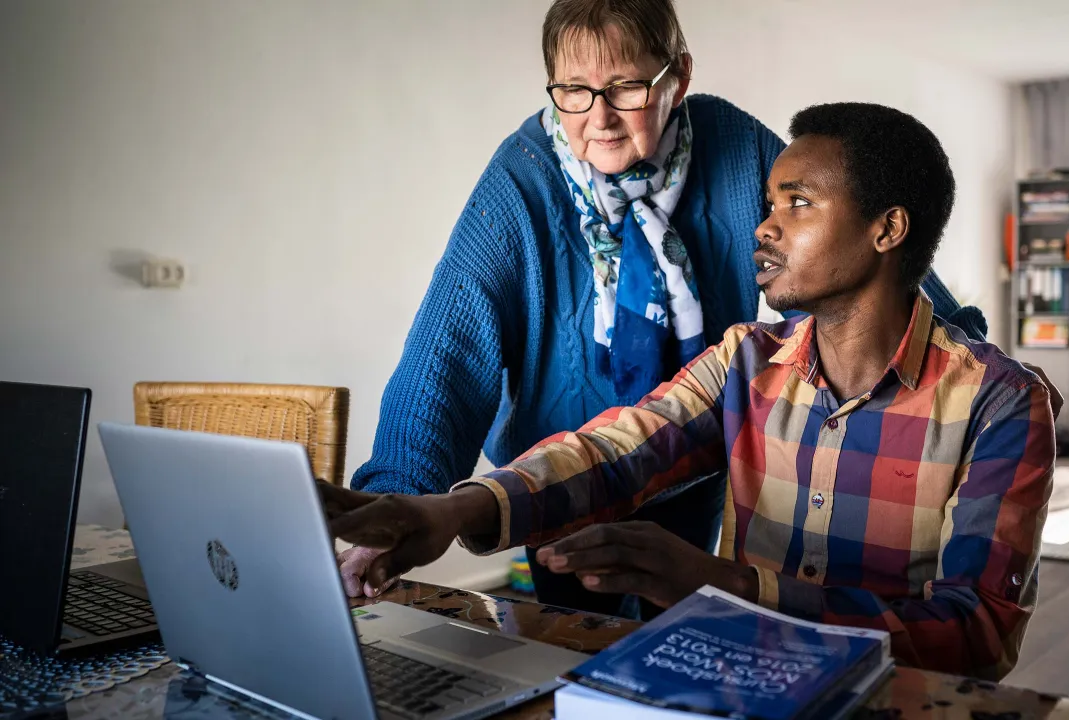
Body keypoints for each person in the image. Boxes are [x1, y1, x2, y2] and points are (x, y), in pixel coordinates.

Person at [321, 102, 1057, 680]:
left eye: (797, 203)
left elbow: (975, 635)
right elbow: (615, 450)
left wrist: (720, 585)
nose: (763, 227)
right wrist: (452, 509)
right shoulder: (746, 360)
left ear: (886, 229)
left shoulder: (1000, 403)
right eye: (768, 203)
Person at [341, 0, 997, 614]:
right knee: (576, 647)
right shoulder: (522, 178)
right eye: (574, 90)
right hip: (556, 482)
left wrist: (960, 361)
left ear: (677, 77)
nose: (599, 117)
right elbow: (449, 348)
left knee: (683, 635)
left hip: (694, 460)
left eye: (626, 87)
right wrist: (394, 499)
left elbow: (851, 255)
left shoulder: (735, 148)